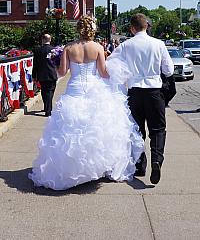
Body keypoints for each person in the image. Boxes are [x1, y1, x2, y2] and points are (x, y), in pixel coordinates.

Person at [29, 15, 144, 191]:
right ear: (92, 29)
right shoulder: (97, 47)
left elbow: (61, 72)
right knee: (96, 129)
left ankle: (72, 169)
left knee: (70, 130)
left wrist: (55, 61)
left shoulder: (69, 48)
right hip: (94, 89)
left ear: (78, 29)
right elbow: (104, 73)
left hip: (74, 90)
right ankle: (94, 168)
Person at [108, 13, 174, 184]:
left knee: (136, 130)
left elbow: (110, 63)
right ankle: (157, 160)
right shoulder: (158, 44)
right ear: (147, 26)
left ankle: (140, 164)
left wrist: (124, 77)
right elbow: (169, 70)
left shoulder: (126, 45)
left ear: (132, 28)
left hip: (135, 91)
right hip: (154, 90)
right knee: (158, 129)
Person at [32, 34, 57, 117]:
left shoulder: (37, 50)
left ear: (43, 40)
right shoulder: (54, 50)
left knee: (44, 91)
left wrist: (34, 75)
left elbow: (35, 64)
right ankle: (48, 110)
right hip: (52, 73)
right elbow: (58, 63)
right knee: (50, 91)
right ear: (50, 40)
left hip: (42, 74)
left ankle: (46, 106)